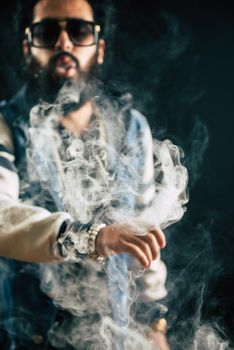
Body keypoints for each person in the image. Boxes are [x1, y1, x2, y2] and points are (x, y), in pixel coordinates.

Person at [0, 0, 169, 349]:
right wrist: (93, 237)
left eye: (78, 31)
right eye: (47, 33)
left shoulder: (131, 127)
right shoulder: (5, 126)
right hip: (28, 338)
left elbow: (144, 233)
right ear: (27, 48)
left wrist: (155, 327)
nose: (64, 44)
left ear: (99, 48)